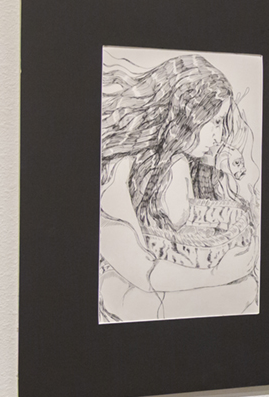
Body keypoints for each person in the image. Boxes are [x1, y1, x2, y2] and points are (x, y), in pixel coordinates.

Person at [99, 53, 258, 322]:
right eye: (216, 122)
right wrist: (217, 273)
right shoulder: (118, 174)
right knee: (243, 291)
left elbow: (187, 220)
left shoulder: (177, 161)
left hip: (166, 289)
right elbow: (143, 272)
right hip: (131, 298)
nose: (219, 136)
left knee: (247, 289)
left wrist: (226, 169)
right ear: (188, 115)